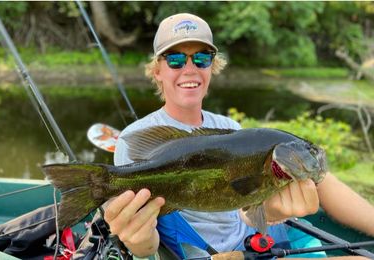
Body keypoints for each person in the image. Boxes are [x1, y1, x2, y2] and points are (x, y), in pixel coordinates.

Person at [103, 13, 374, 259]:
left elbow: (245, 211)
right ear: (157, 71)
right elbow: (147, 244)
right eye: (175, 59)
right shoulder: (138, 138)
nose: (189, 68)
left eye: (201, 58)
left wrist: (271, 213)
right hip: (212, 253)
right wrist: (139, 243)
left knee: (318, 177)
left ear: (212, 66)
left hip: (253, 239)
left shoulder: (228, 126)